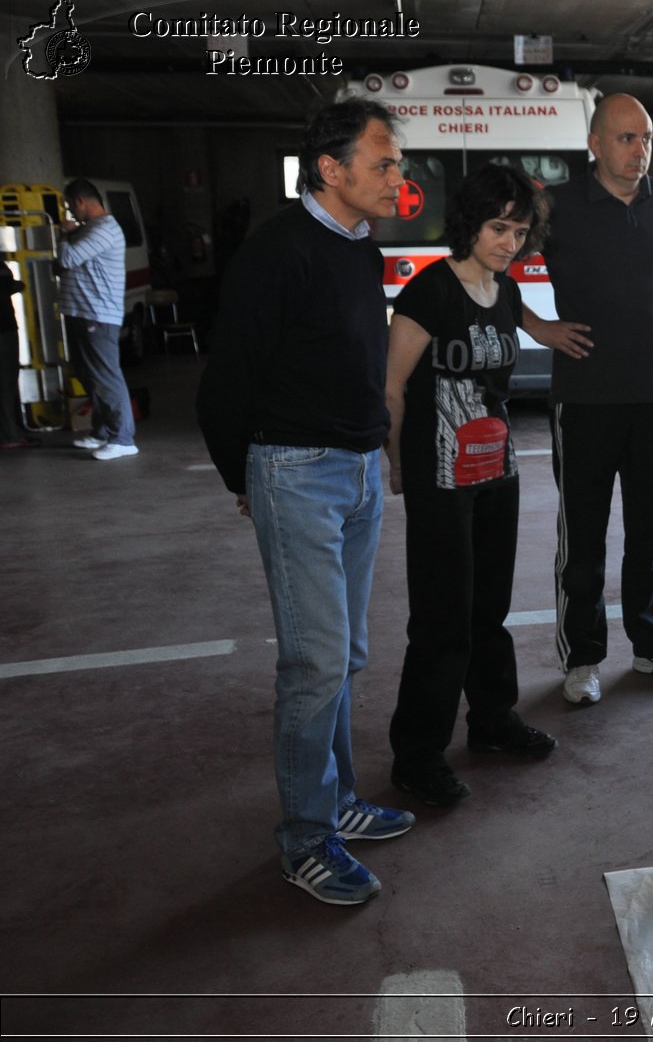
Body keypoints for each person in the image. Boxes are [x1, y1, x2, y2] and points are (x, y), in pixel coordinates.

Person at [196, 98, 415, 906]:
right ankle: (304, 839)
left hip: (356, 472)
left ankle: (337, 804)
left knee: (346, 656)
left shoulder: (361, 247)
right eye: (385, 161)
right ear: (331, 168)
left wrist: (379, 453)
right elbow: (226, 383)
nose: (399, 176)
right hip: (296, 472)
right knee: (314, 662)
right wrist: (245, 477)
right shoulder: (275, 253)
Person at [521, 93, 653, 706]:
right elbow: (490, 257)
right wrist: (537, 327)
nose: (640, 151)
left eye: (647, 138)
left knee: (651, 533)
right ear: (595, 145)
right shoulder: (557, 207)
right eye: (627, 139)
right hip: (583, 402)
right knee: (582, 538)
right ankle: (582, 658)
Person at [384, 164, 559, 806]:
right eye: (497, 227)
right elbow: (392, 386)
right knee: (441, 616)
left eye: (518, 230)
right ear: (469, 225)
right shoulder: (429, 292)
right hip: (438, 474)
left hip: (496, 469)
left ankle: (490, 720)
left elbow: (526, 334)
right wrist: (397, 462)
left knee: (489, 607)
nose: (509, 241)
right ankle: (418, 753)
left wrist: (556, 333)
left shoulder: (504, 292)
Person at [58, 179, 137, 460]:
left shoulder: (105, 229)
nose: (70, 212)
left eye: (70, 206)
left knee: (105, 376)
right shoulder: (89, 228)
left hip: (98, 315)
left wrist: (64, 236)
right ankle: (102, 431)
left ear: (81, 201)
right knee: (87, 374)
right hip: (81, 312)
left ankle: (123, 438)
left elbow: (67, 260)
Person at [0, 261, 34, 449]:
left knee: (7, 382)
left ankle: (10, 433)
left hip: (6, 327)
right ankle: (8, 436)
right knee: (6, 383)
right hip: (3, 328)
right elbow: (10, 286)